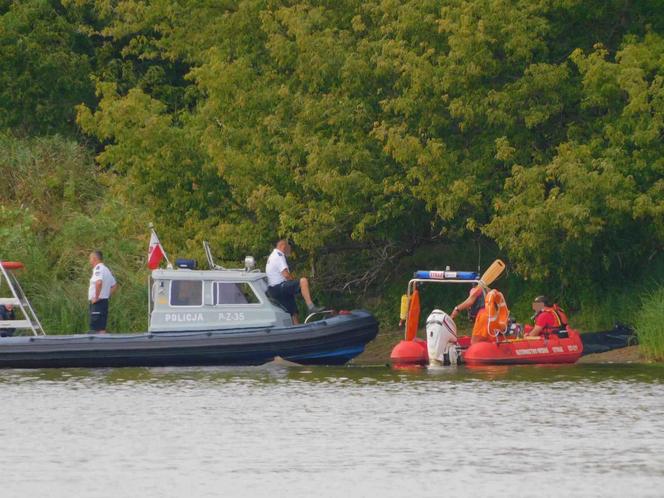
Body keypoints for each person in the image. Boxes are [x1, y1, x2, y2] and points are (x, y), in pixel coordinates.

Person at [265, 239, 323, 324]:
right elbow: (286, 275)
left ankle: (297, 329)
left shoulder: (273, 255)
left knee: (293, 312)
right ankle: (311, 306)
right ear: (284, 246)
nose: (290, 250)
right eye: (289, 248)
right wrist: (295, 283)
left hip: (274, 289)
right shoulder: (278, 256)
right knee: (303, 281)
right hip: (279, 287)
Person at [88, 251, 117, 334]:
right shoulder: (106, 269)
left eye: (90, 258)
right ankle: (104, 345)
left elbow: (98, 282)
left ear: (94, 258)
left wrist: (97, 297)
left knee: (95, 329)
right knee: (101, 328)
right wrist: (106, 295)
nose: (90, 261)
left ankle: (95, 346)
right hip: (104, 302)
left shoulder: (98, 269)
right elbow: (114, 286)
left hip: (97, 303)